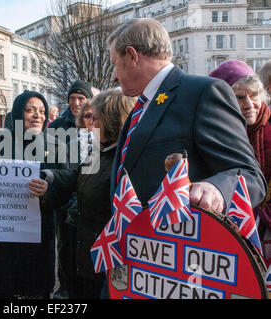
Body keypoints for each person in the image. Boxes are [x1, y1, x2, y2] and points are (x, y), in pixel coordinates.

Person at [107, 18, 266, 274]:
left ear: (132, 55)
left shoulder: (204, 92)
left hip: (183, 268)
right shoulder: (141, 106)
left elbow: (251, 176)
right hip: (138, 261)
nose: (114, 75)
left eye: (115, 64)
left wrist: (216, 187)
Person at [48, 89, 135, 298]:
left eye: (95, 118)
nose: (90, 124)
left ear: (112, 120)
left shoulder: (125, 159)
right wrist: (49, 177)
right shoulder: (98, 150)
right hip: (88, 254)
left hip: (108, 262)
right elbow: (78, 178)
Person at [0, 90, 69, 298]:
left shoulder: (57, 145)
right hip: (5, 235)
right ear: (19, 114)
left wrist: (48, 191)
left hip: (38, 233)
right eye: (30, 110)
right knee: (4, 287)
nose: (37, 115)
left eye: (41, 110)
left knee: (35, 290)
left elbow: (67, 188)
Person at [209, 59, 271, 266]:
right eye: (240, 97)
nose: (249, 104)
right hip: (231, 228)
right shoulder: (215, 134)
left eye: (254, 95)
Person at [48, 80, 94, 299]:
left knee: (83, 247)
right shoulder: (57, 126)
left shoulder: (93, 124)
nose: (76, 102)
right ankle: (65, 286)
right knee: (64, 247)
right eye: (72, 98)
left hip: (86, 196)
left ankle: (82, 288)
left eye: (81, 98)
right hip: (62, 193)